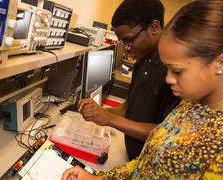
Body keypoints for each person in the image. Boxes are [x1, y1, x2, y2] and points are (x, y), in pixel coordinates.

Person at [61, 0, 223, 179]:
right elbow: (148, 162)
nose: (169, 78)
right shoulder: (190, 107)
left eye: (177, 71)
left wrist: (109, 119)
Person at [78, 0, 181, 160]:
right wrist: (97, 112)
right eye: (123, 42)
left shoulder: (174, 73)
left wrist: (110, 119)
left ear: (154, 27)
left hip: (148, 161)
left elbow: (166, 134)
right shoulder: (142, 62)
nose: (126, 47)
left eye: (129, 39)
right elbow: (128, 109)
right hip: (131, 155)